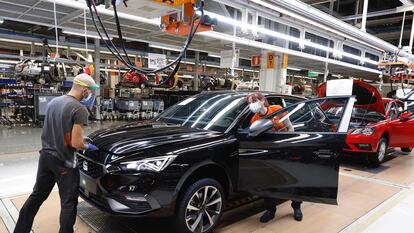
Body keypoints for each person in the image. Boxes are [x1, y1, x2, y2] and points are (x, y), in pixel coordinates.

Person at [14, 74, 100, 233]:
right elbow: (75, 143)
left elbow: (58, 129)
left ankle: (20, 230)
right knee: (68, 202)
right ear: (83, 89)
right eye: (90, 90)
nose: (90, 94)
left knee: (37, 196)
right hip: (64, 162)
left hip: (46, 158)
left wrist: (79, 137)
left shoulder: (54, 102)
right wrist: (87, 146)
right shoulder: (80, 109)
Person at [246, 92, 303, 223]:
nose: (251, 105)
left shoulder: (277, 109)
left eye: (253, 102)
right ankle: (270, 210)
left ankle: (296, 207)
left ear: (262, 100)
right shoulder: (254, 120)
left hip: (285, 150)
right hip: (270, 154)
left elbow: (290, 127)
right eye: (249, 103)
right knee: (268, 183)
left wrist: (289, 146)